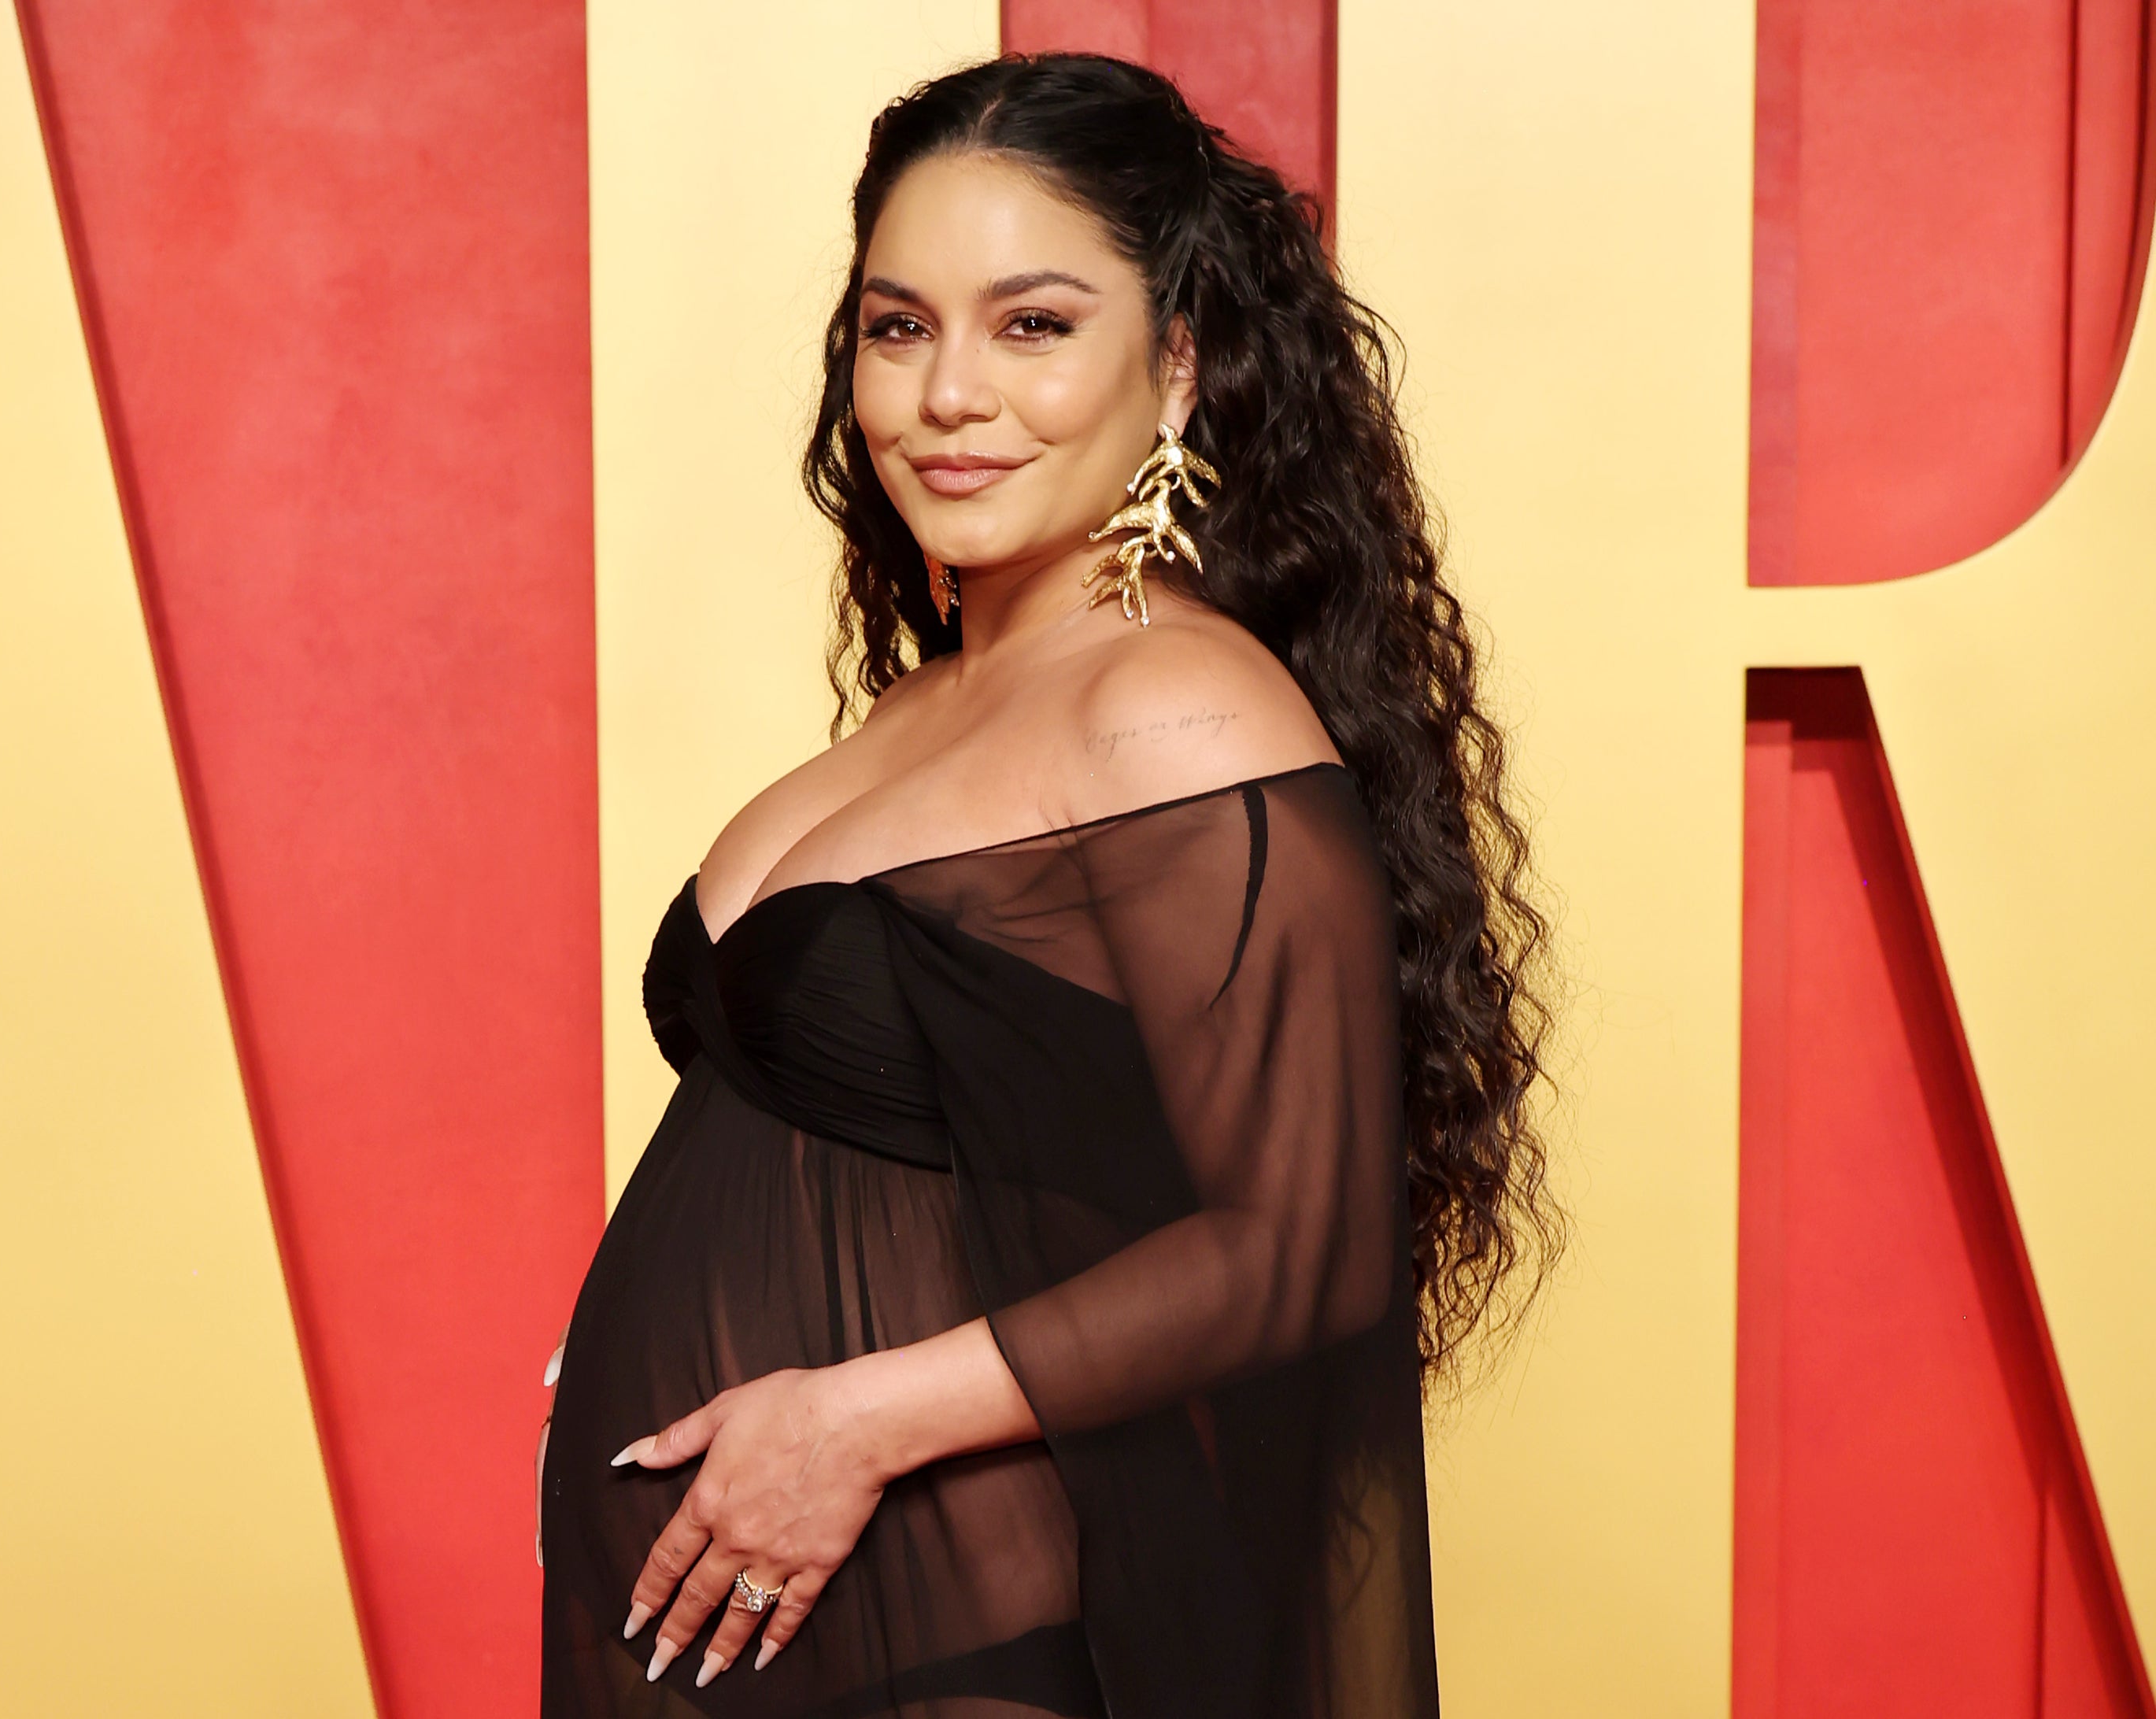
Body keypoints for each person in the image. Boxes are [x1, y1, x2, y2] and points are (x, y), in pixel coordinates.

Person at [537, 52, 1556, 1719]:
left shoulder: (1171, 706)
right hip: (761, 1621)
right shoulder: (932, 697)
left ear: (1176, 367)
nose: (947, 395)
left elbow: (1300, 1245)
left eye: (1031, 325)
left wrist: (848, 1422)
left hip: (953, 1637)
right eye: (897, 325)